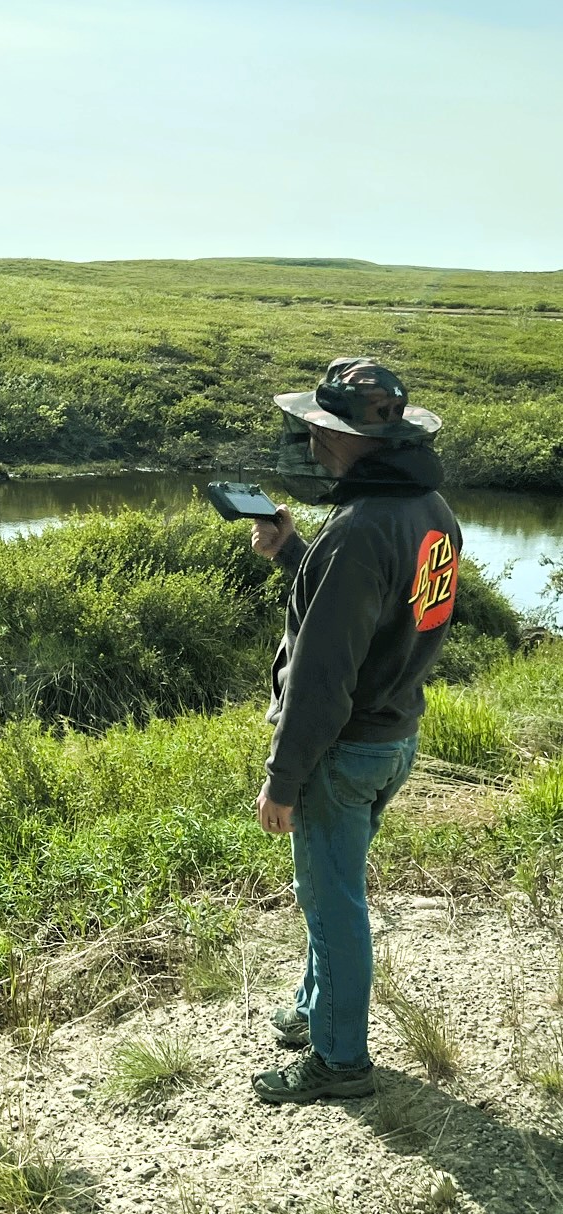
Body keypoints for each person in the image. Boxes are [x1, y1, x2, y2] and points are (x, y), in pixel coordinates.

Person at [247, 358, 461, 1103]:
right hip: (394, 736)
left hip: (342, 752)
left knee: (332, 904)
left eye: (316, 425)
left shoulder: (362, 528)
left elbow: (321, 675)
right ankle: (313, 1010)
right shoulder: (431, 509)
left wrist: (283, 777)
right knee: (334, 887)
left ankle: (340, 1062)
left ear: (335, 434)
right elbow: (382, 614)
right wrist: (295, 553)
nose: (308, 437)